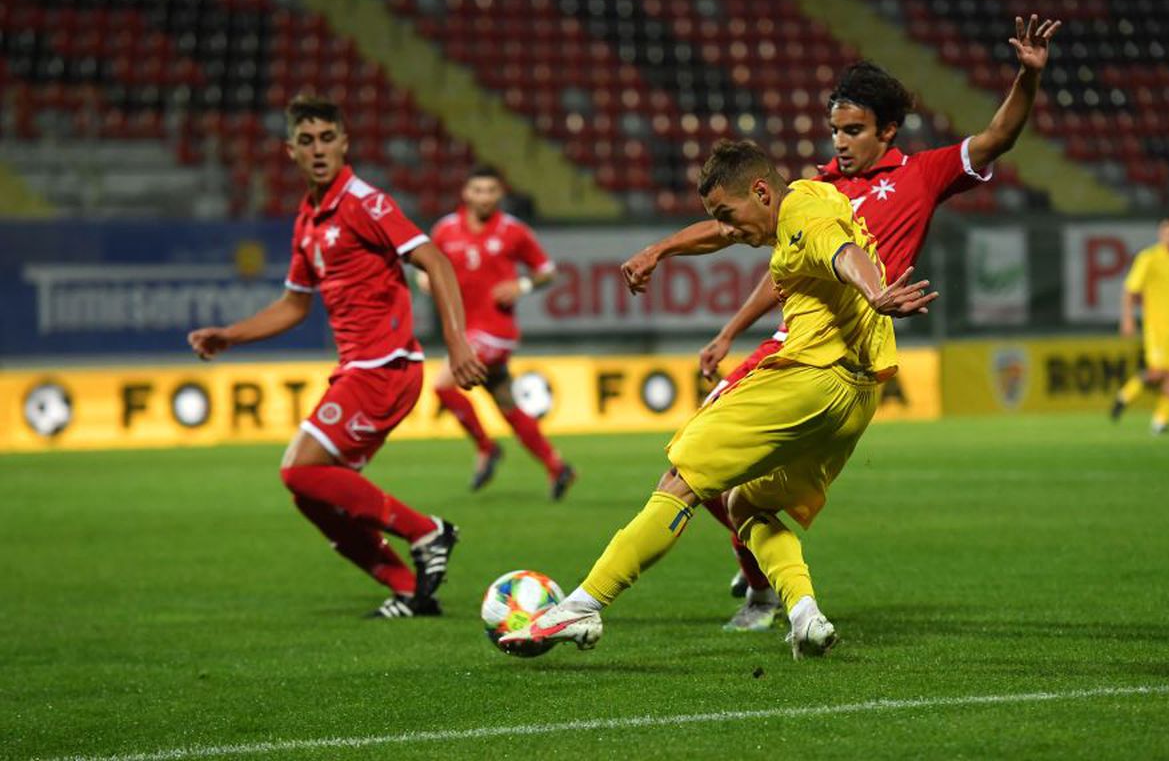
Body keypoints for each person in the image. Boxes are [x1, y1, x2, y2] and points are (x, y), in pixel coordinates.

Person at [621, 14, 1061, 631]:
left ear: (888, 130)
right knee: (715, 478)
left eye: (853, 130)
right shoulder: (815, 188)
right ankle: (765, 581)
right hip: (792, 346)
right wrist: (702, 298)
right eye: (834, 130)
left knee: (709, 477)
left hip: (848, 358)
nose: (840, 143)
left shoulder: (922, 175)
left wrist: (1027, 76)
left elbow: (996, 139)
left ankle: (760, 586)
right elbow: (758, 251)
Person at [499, 139, 937, 659]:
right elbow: (730, 235)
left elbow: (842, 255)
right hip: (855, 398)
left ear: (760, 191)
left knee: (680, 481)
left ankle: (580, 607)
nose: (728, 228)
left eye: (729, 213)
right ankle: (804, 615)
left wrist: (873, 292)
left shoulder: (802, 217)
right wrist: (661, 249)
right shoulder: (812, 199)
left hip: (808, 379)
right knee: (747, 504)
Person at [187, 95, 487, 618]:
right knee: (311, 493)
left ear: (345, 143)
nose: (319, 149)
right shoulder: (309, 218)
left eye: (328, 138)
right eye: (307, 141)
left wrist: (457, 342)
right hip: (358, 368)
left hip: (385, 366)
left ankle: (427, 532)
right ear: (290, 151)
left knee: (298, 471)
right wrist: (231, 336)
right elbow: (293, 305)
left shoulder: (364, 203)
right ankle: (408, 590)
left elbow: (435, 260)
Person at [425, 165, 577, 500]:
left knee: (441, 384)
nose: (483, 197)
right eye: (477, 190)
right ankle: (557, 465)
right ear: (466, 193)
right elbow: (427, 268)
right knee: (507, 404)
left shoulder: (513, 231)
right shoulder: (445, 230)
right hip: (466, 329)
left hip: (496, 331)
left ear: (500, 194)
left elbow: (547, 271)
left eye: (490, 191)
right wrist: (427, 280)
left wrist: (521, 284)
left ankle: (486, 448)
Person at [1110, 218, 1169, 433]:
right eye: (1167, 233)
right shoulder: (1148, 258)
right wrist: (1128, 319)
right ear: (1161, 235)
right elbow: (1130, 290)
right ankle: (1125, 395)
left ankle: (1160, 421)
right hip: (1157, 326)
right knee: (1157, 372)